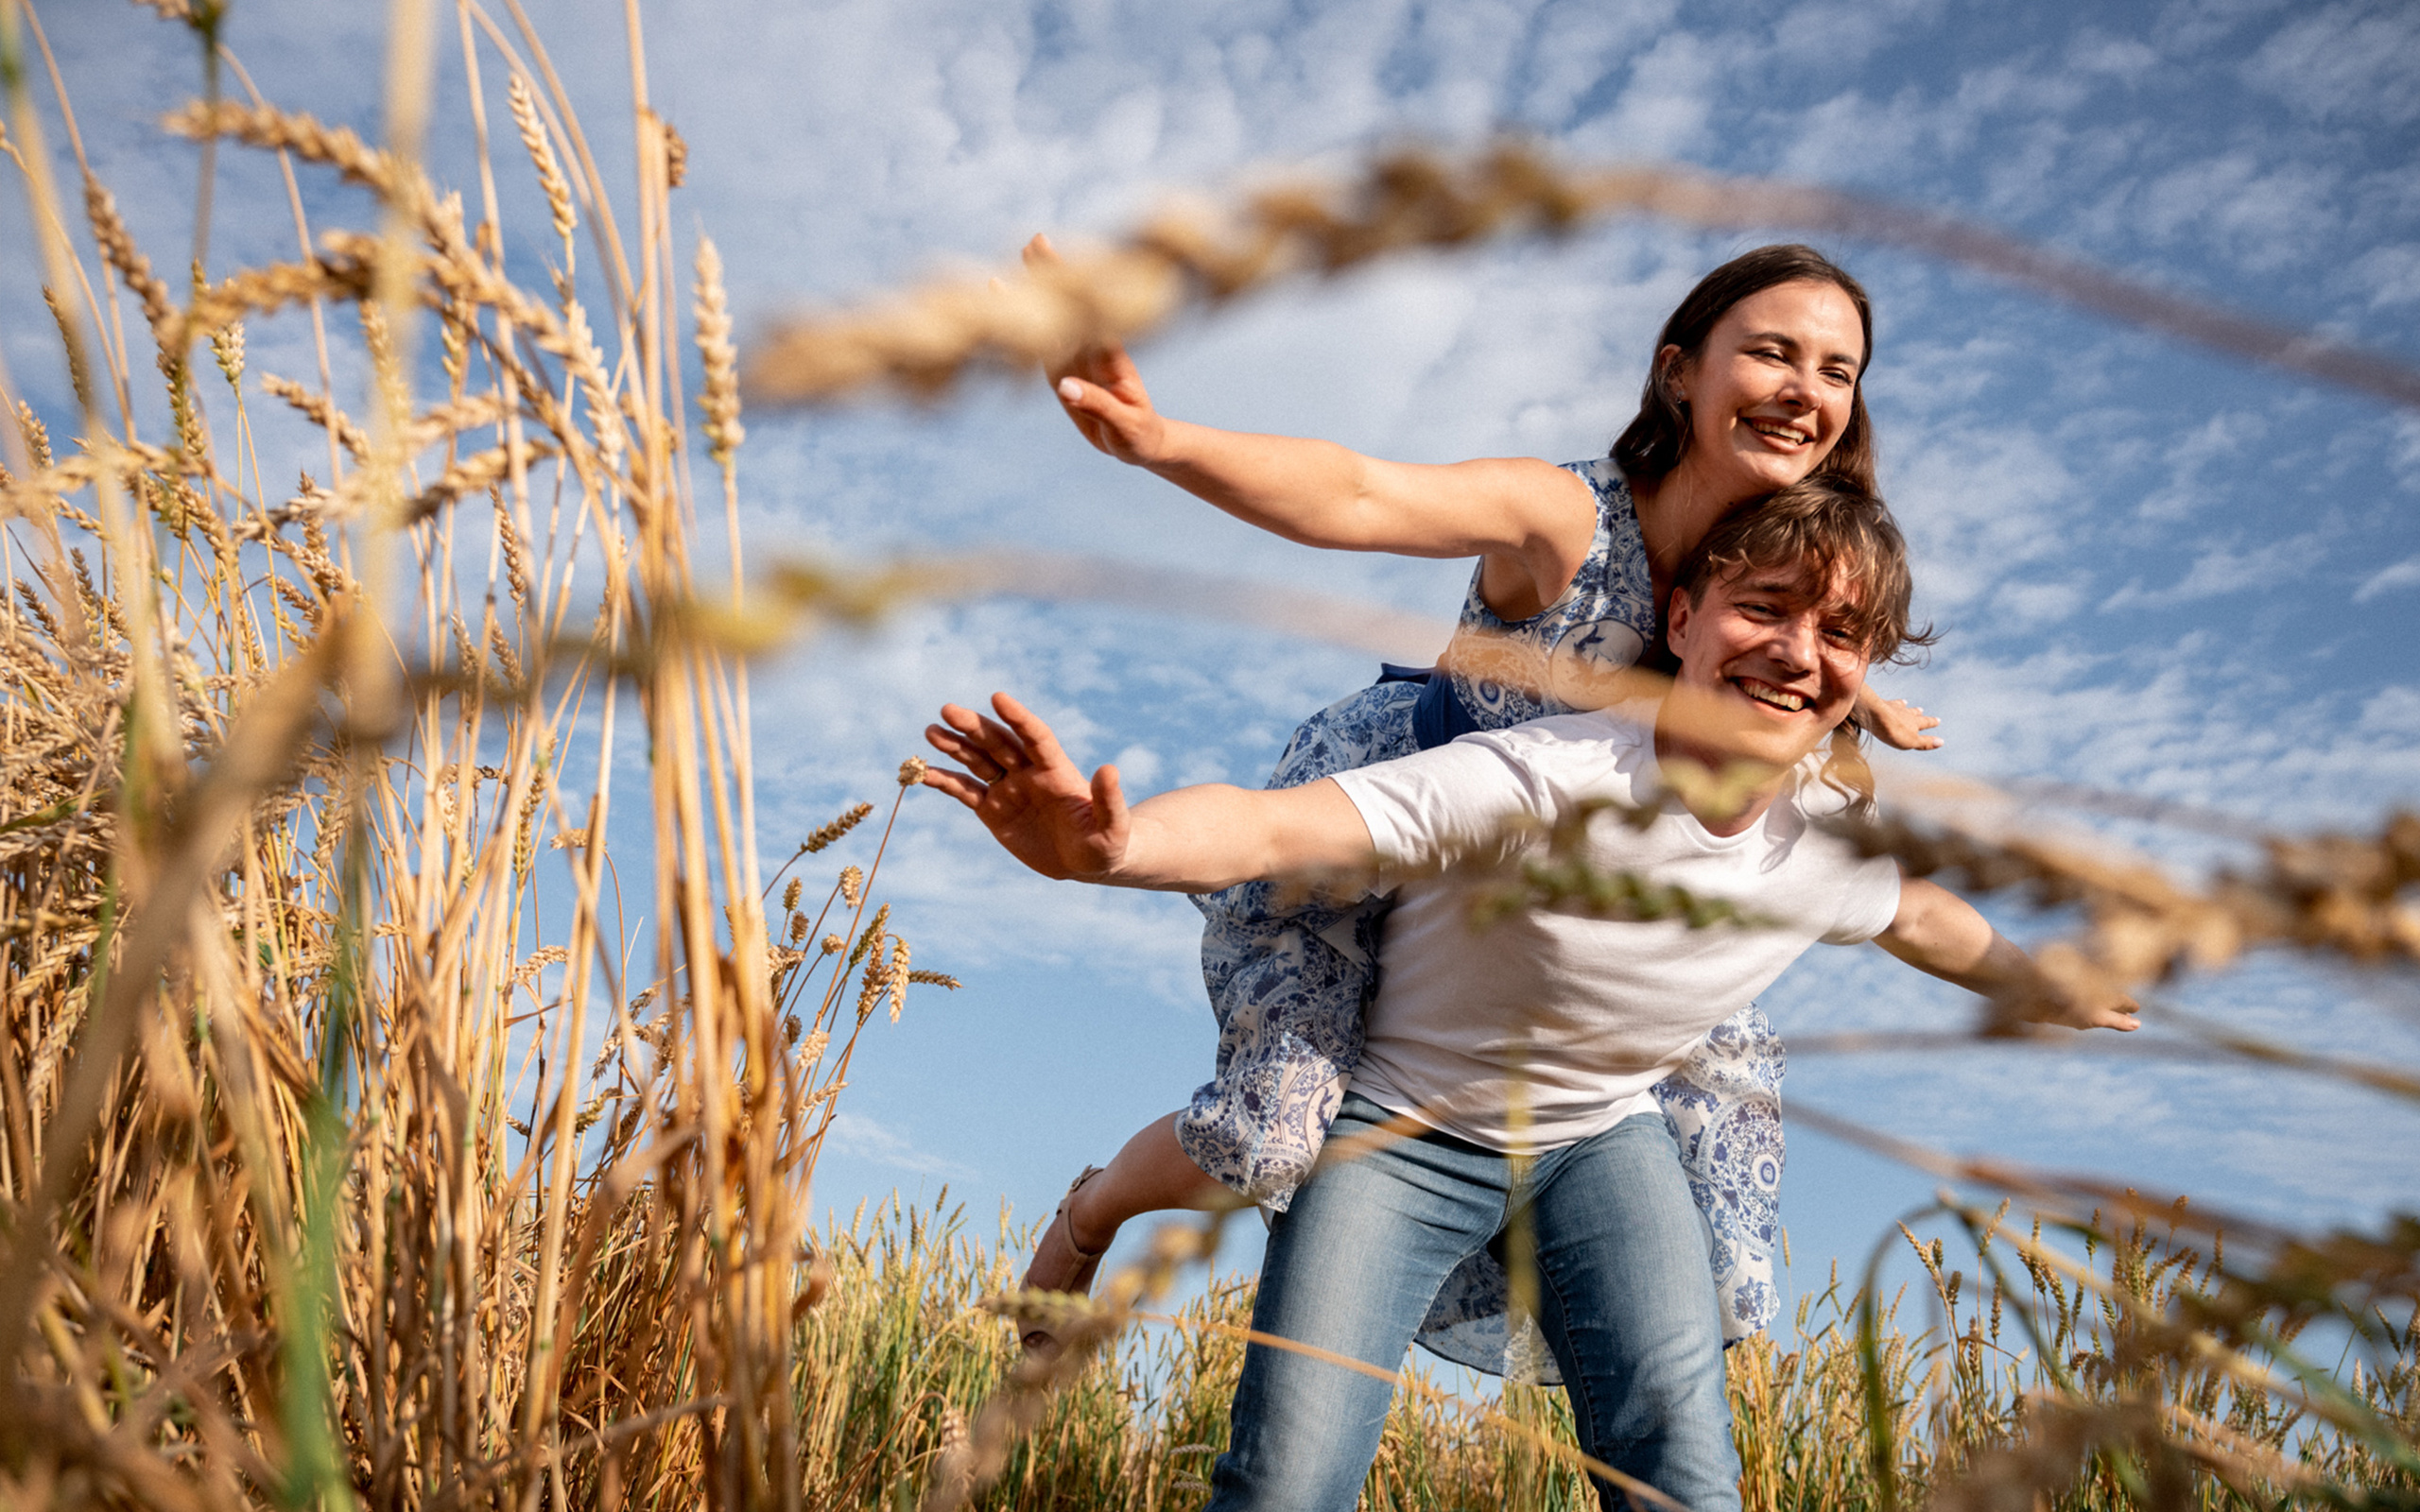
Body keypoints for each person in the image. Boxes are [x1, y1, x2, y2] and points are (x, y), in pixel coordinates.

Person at [923, 481, 2137, 1511]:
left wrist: (2043, 983)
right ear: (1683, 617)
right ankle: (1089, 1216)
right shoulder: (1552, 778)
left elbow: (1924, 915)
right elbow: (1279, 823)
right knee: (1289, 1474)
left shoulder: (1825, 842)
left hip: (1601, 1135)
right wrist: (1108, 848)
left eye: (1838, 634)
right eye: (1762, 608)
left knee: (1682, 1471)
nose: (1793, 650)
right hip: (1399, 1128)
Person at [1013, 239, 1941, 1366]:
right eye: (1772, 353)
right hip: (1401, 834)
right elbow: (1361, 491)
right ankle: (1092, 1211)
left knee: (1717, 1231)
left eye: (1838, 370)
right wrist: (1163, 442)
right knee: (1275, 1127)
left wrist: (1856, 693)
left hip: (1583, 900)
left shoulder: (1790, 572)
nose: (1806, 389)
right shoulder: (1565, 517)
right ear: (1679, 372)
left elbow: (1786, 659)